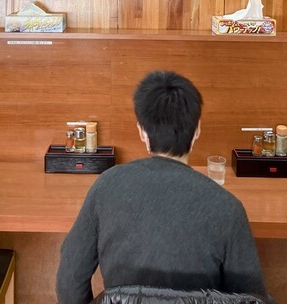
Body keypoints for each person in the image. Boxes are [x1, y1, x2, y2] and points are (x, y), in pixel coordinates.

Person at [56, 70, 272, 304]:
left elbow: (69, 282)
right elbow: (252, 299)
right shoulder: (228, 208)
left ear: (142, 131)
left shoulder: (106, 187)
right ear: (197, 130)